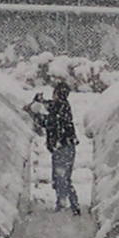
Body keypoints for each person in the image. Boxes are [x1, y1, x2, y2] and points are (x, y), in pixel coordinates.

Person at [29, 79, 82, 215]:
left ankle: (67, 205)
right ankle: (69, 204)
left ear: (57, 94)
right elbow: (52, 107)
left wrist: (34, 114)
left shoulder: (60, 108)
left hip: (62, 148)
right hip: (67, 147)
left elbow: (48, 122)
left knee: (61, 177)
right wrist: (41, 102)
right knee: (63, 177)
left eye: (54, 93)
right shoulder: (63, 106)